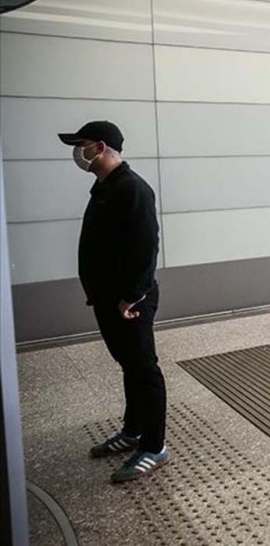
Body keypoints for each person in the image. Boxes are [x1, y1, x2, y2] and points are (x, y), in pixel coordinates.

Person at [58, 121, 167, 483]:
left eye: (82, 144)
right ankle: (133, 430)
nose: (78, 151)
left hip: (129, 301)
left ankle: (154, 446)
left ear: (101, 146)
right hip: (109, 299)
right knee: (129, 366)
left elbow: (145, 247)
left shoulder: (133, 188)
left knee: (144, 368)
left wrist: (130, 296)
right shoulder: (105, 186)